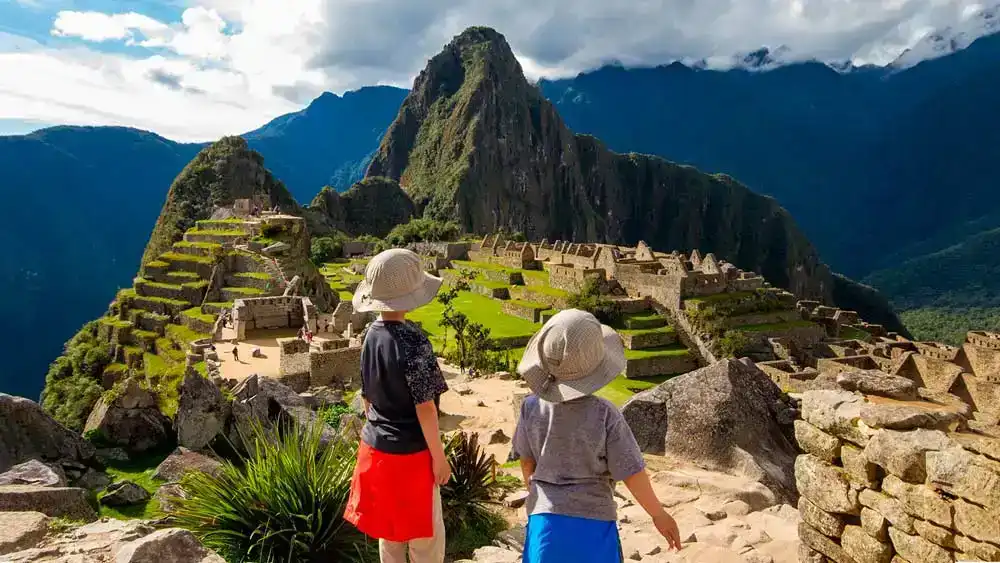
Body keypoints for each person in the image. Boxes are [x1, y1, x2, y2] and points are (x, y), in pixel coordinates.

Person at [512, 309, 682, 562]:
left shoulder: (530, 407)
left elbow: (527, 463)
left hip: (544, 523)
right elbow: (631, 470)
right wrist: (658, 514)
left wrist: (540, 496)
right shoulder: (604, 414)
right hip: (593, 522)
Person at [343, 248, 449, 563]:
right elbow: (425, 408)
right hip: (411, 457)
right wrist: (439, 459)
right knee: (424, 542)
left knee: (389, 538)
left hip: (376, 451)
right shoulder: (414, 342)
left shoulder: (368, 336)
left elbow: (366, 396)